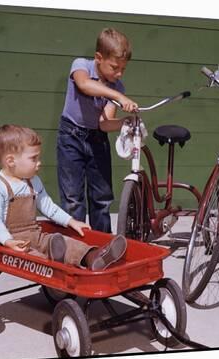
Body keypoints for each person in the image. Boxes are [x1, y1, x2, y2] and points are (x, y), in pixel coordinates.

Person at [0, 124, 127, 271]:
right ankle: (56, 266)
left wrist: (71, 221)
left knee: (62, 241)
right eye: (33, 158)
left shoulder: (32, 181)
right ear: (11, 161)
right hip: (6, 239)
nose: (39, 163)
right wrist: (8, 241)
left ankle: (93, 256)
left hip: (33, 234)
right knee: (33, 258)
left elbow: (48, 206)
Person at [57, 27, 138, 233]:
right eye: (114, 67)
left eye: (124, 69)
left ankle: (102, 245)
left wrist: (125, 121)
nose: (119, 73)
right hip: (70, 137)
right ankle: (75, 246)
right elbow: (84, 85)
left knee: (101, 198)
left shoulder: (117, 86)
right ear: (98, 57)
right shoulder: (81, 66)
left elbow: (104, 123)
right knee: (73, 199)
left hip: (97, 139)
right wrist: (118, 97)